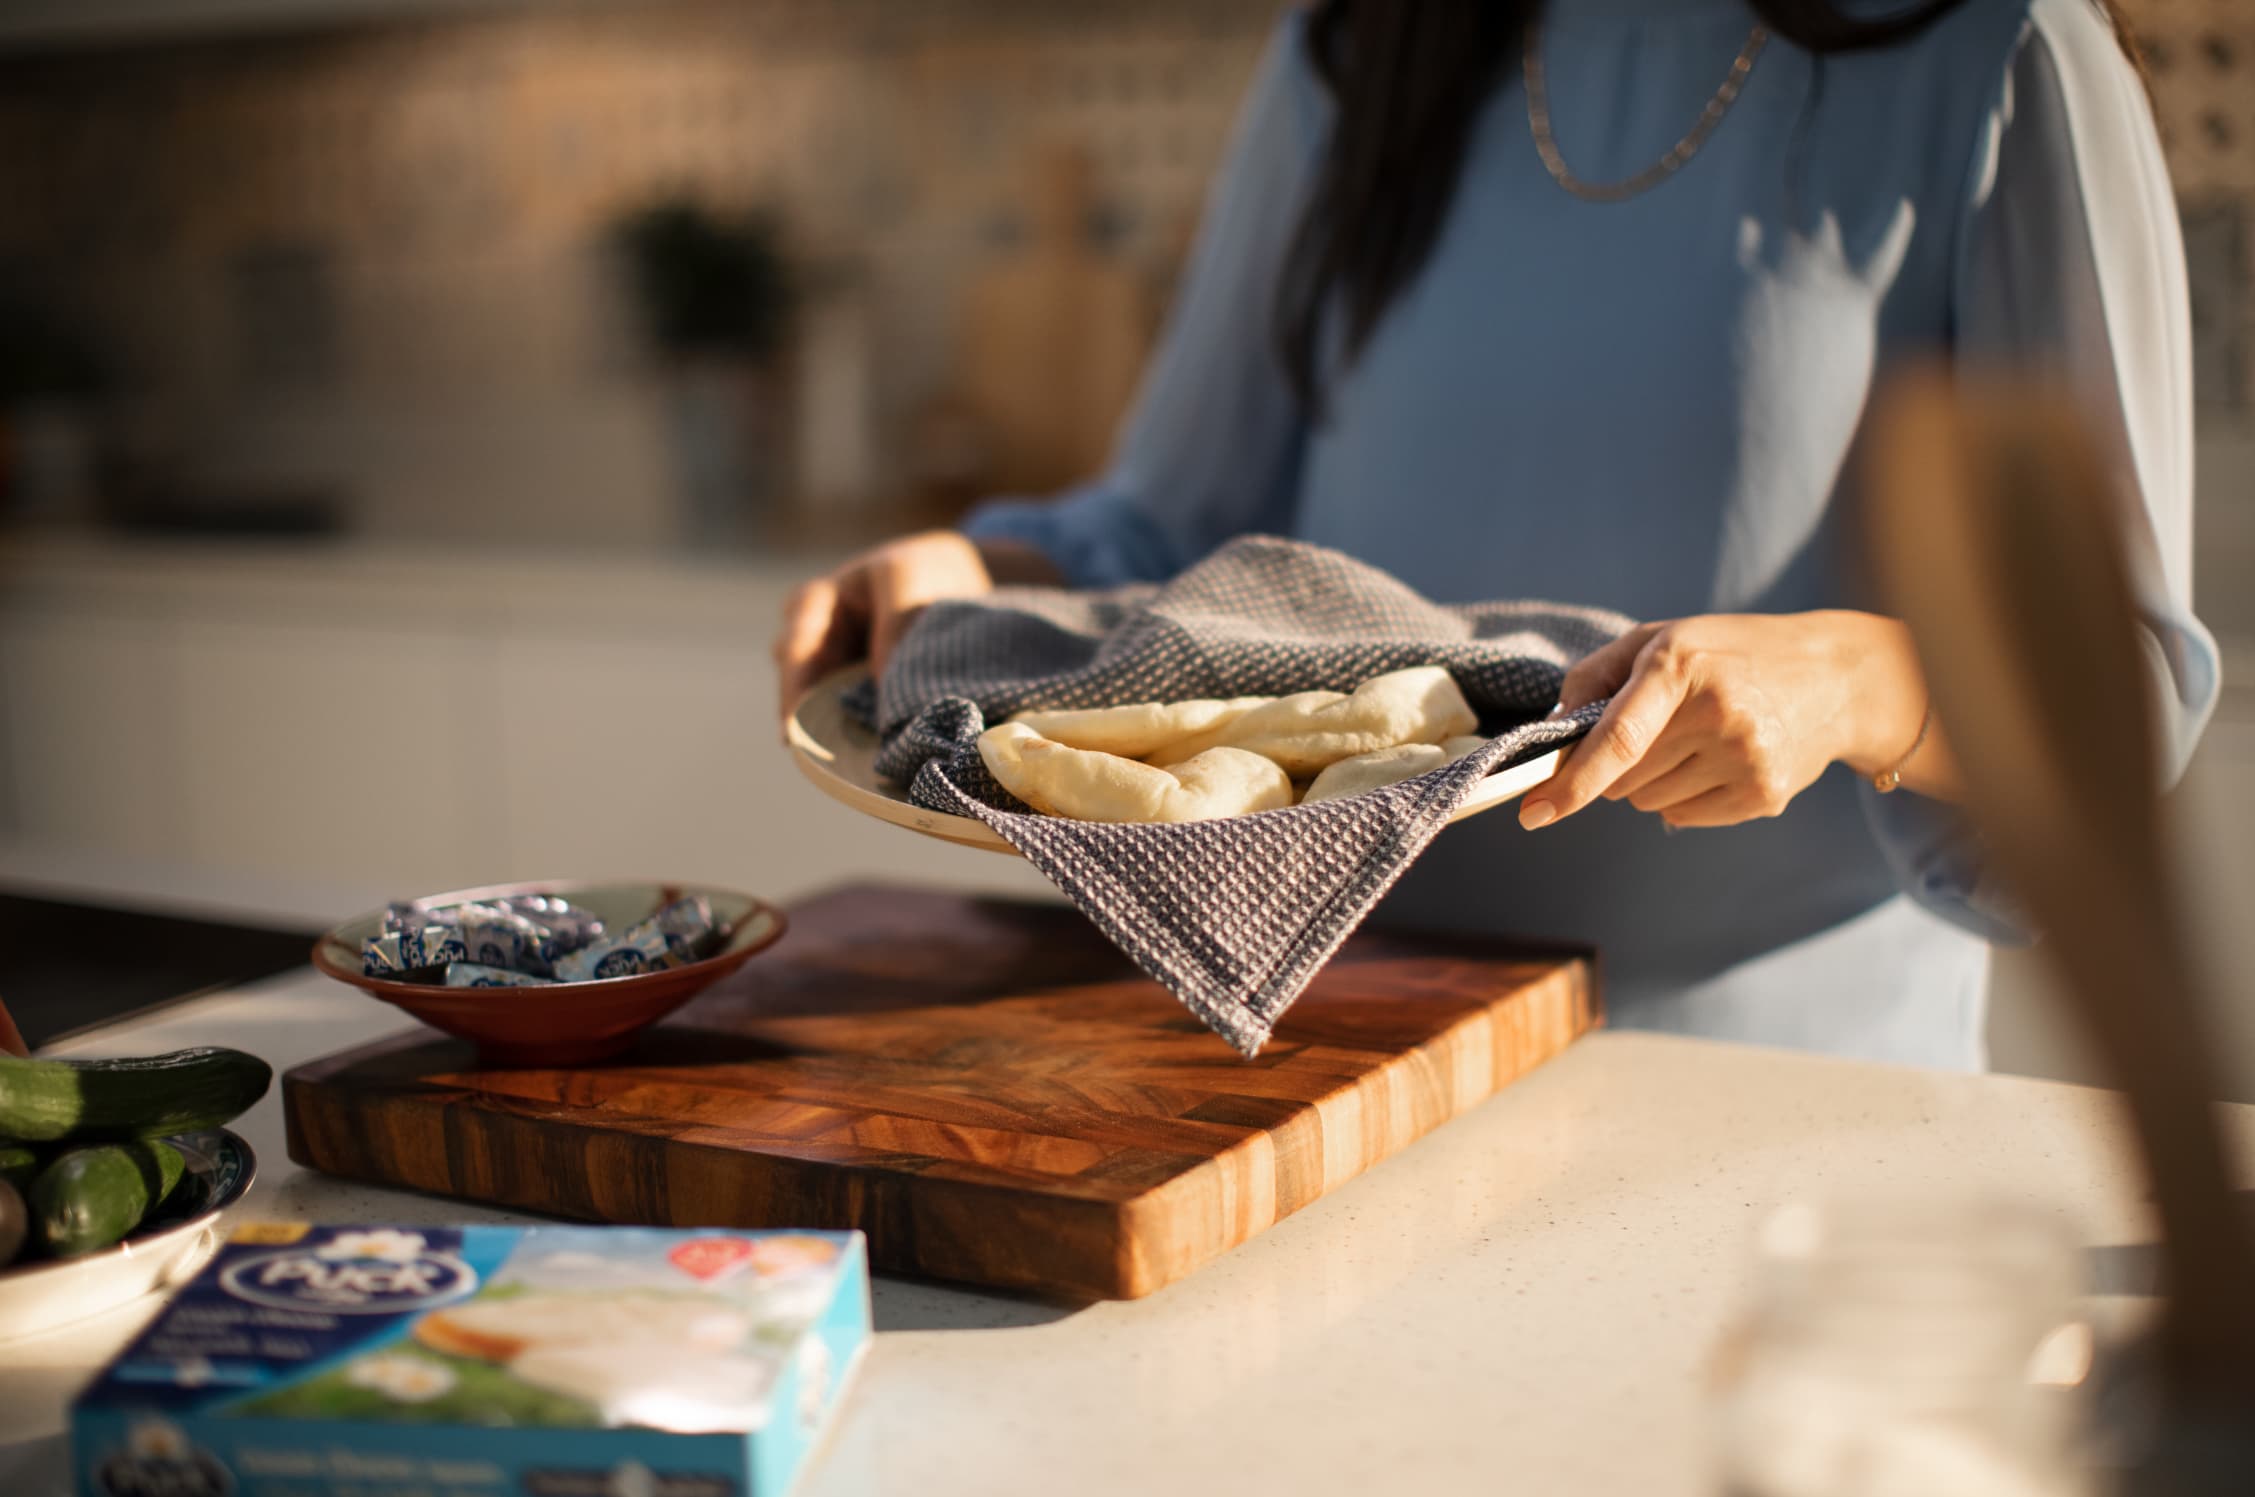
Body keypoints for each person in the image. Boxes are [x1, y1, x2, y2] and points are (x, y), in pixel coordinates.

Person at [775, 0, 2212, 1070]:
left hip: (1770, 1121)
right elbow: (1179, 532)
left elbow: (2119, 680)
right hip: (1329, 1081)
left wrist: (1848, 683)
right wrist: (977, 581)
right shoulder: (1360, 49)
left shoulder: (2003, 56)